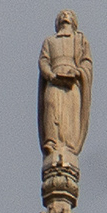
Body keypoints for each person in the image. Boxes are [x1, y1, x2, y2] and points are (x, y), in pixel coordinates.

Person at [38, 10, 91, 160]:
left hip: (71, 82)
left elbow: (86, 62)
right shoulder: (50, 41)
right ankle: (51, 140)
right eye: (62, 15)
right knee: (52, 107)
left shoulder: (79, 40)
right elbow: (43, 61)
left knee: (70, 111)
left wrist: (78, 72)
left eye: (68, 14)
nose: (64, 16)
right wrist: (50, 75)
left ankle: (69, 143)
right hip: (54, 80)